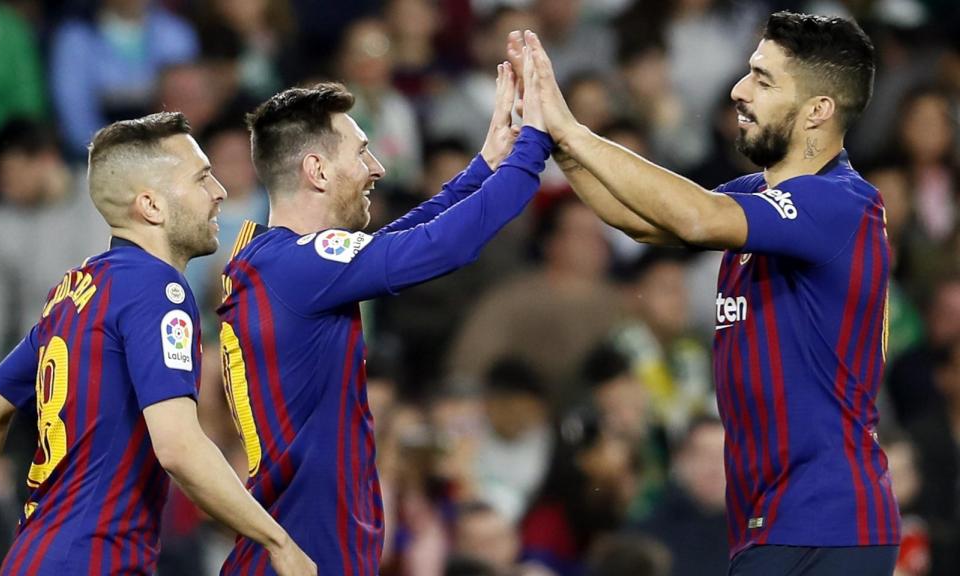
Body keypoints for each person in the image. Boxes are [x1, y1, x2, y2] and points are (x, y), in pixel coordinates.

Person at [513, 10, 900, 575]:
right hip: (773, 521)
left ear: (819, 110)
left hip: (828, 521)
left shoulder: (842, 203)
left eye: (764, 80)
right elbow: (643, 219)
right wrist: (558, 141)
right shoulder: (756, 197)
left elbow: (696, 217)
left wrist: (574, 129)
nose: (740, 92)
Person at [0, 112, 314, 576]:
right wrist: (278, 542)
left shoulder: (76, 291)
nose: (219, 192)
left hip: (34, 558)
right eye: (202, 178)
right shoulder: (159, 291)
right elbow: (178, 446)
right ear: (151, 206)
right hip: (96, 561)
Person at [216, 59, 552, 574]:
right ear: (317, 170)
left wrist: (486, 165)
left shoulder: (281, 262)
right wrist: (537, 141)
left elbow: (405, 236)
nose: (377, 168)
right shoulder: (297, 265)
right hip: (308, 549)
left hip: (306, 540)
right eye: (362, 151)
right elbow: (442, 246)